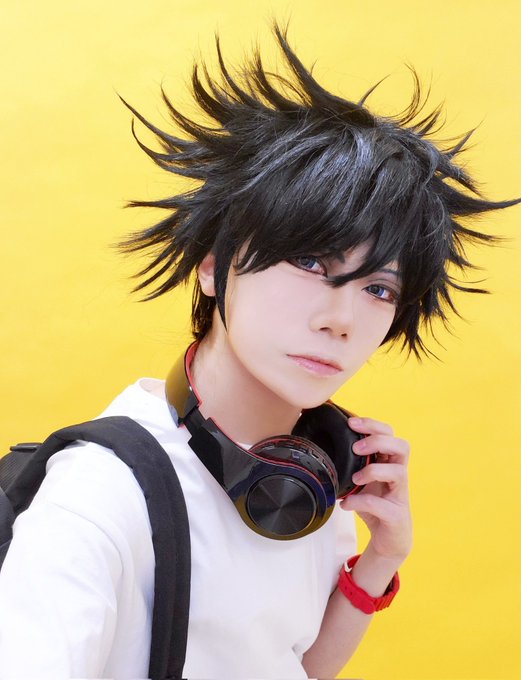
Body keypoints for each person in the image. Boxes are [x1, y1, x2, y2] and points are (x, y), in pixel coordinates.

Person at [0, 24, 517, 680]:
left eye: (378, 288)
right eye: (310, 262)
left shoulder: (306, 479)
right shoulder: (101, 496)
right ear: (213, 268)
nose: (340, 320)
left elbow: (291, 666)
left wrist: (381, 558)